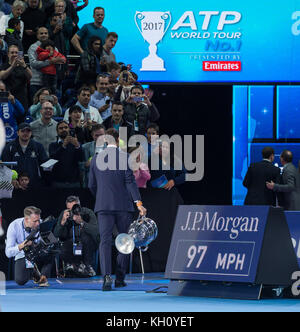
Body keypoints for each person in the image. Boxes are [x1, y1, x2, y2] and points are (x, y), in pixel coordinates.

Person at [88, 128, 146, 291]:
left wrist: (101, 197)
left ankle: (106, 277)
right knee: (125, 241)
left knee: (105, 241)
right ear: (118, 140)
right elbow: (130, 183)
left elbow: (91, 185)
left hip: (103, 205)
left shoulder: (95, 159)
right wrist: (138, 203)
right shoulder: (125, 157)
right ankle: (120, 278)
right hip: (123, 206)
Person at [5, 206, 52, 286]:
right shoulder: (14, 226)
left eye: (39, 220)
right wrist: (21, 246)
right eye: (35, 221)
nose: (38, 223)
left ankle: (43, 276)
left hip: (38, 250)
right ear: (27, 219)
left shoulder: (40, 223)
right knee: (20, 280)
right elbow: (8, 253)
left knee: (53, 249)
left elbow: (51, 239)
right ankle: (34, 271)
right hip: (23, 253)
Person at [54, 195, 99, 277]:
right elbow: (56, 234)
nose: (72, 211)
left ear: (79, 206)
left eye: (74, 208)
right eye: (69, 209)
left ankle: (87, 266)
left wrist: (81, 222)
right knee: (61, 248)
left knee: (86, 238)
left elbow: (95, 231)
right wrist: (62, 222)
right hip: (72, 243)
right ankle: (74, 266)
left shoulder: (88, 213)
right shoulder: (65, 214)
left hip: (87, 243)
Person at [1, 122, 48, 188]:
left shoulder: (38, 146)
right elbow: (5, 166)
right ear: (17, 133)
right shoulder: (9, 147)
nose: (25, 133)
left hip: (34, 183)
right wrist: (10, 179)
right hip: (15, 184)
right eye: (22, 131)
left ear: (31, 133)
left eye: (28, 131)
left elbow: (44, 163)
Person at [28, 26, 65, 101]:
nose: (44, 35)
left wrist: (59, 61)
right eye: (41, 33)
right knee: (37, 104)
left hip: (50, 82)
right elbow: (33, 64)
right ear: (37, 35)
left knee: (50, 104)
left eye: (45, 33)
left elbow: (59, 65)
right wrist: (50, 62)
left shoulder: (54, 48)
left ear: (48, 35)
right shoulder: (33, 47)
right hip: (36, 82)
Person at [48, 120, 84, 188]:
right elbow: (53, 159)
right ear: (57, 131)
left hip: (74, 182)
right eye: (61, 128)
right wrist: (63, 146)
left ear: (69, 129)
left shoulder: (76, 144)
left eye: (65, 127)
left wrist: (77, 146)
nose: (63, 129)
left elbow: (81, 159)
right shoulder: (52, 145)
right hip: (58, 182)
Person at [0, 44, 32, 111]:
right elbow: (2, 76)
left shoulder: (23, 66)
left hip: (22, 98)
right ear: (8, 54)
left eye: (16, 52)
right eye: (12, 52)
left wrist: (24, 65)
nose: (14, 54)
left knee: (22, 118)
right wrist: (12, 66)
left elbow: (30, 76)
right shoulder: (4, 66)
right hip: (7, 97)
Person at [80, 123, 105, 187]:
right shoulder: (84, 147)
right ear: (92, 135)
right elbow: (79, 165)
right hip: (89, 183)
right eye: (96, 135)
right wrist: (86, 164)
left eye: (101, 135)